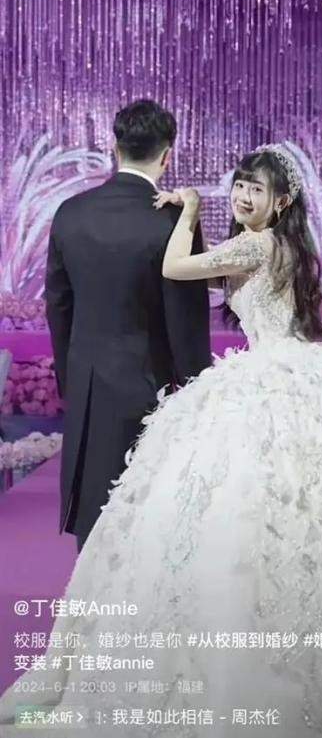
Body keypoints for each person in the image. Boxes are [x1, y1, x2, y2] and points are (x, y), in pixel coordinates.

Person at [1, 144, 322, 738]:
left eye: (256, 189)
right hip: (288, 366)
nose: (243, 196)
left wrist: (189, 209)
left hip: (272, 373)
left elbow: (175, 268)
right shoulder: (274, 245)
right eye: (239, 185)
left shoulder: (257, 244)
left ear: (281, 202)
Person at [44, 99, 211, 553]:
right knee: (148, 524)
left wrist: (72, 378)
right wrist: (197, 389)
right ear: (167, 155)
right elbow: (186, 316)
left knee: (94, 518)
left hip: (88, 383)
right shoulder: (174, 219)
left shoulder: (70, 212)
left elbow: (58, 306)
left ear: (115, 149)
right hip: (151, 386)